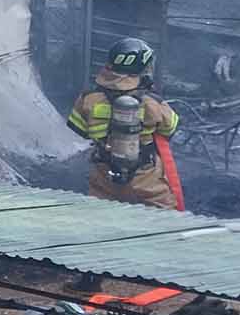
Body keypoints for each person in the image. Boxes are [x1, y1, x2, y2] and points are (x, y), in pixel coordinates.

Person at [68, 38, 181, 209]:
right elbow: (170, 128)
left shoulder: (89, 98)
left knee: (97, 212)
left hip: (105, 172)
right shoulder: (151, 102)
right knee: (164, 214)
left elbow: (80, 128)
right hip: (145, 174)